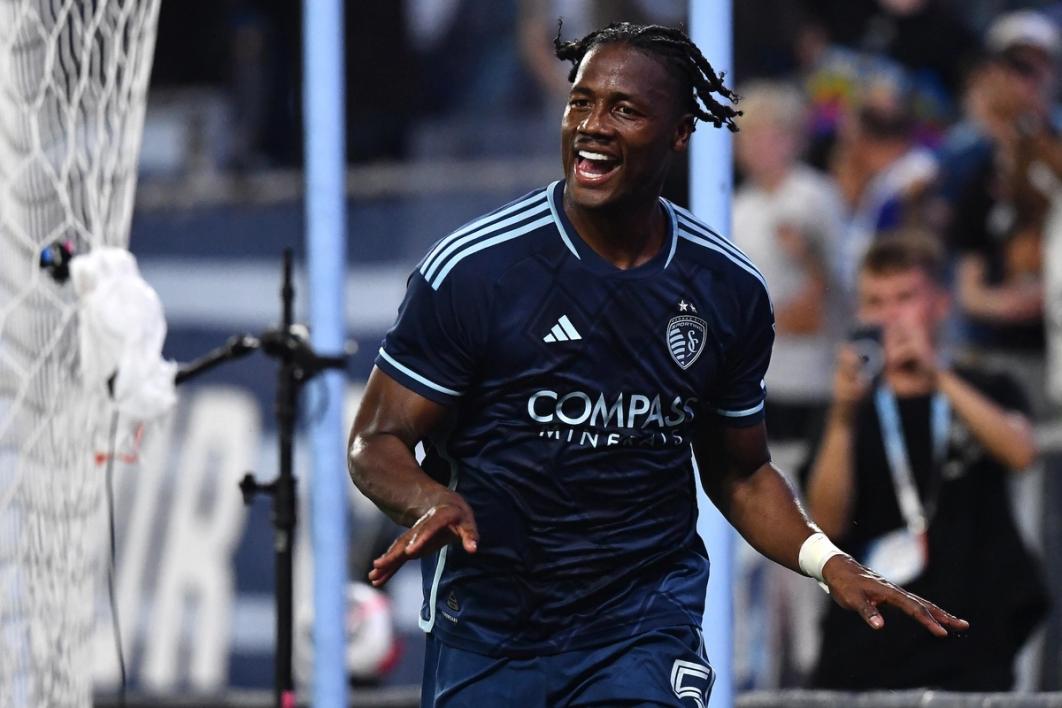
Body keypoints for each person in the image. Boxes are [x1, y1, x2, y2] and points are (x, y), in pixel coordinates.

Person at [348, 22, 968, 707]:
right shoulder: (475, 271)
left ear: (679, 133)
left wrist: (828, 563)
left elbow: (739, 471)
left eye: (625, 109)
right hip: (491, 631)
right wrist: (430, 498)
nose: (593, 126)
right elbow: (376, 440)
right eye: (580, 102)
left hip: (643, 628)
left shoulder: (725, 288)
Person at [805, 233, 1048, 690]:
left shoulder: (985, 384)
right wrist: (842, 416)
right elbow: (826, 519)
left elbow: (1021, 451)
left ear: (940, 303)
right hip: (866, 647)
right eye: (875, 302)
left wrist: (937, 372)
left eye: (906, 298)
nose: (891, 315)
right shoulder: (846, 405)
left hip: (971, 643)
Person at [732, 80, 845, 441]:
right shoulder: (736, 207)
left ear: (795, 139)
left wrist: (809, 257)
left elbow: (835, 291)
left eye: (771, 135)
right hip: (760, 380)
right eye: (750, 136)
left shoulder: (816, 196)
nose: (759, 147)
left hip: (816, 376)